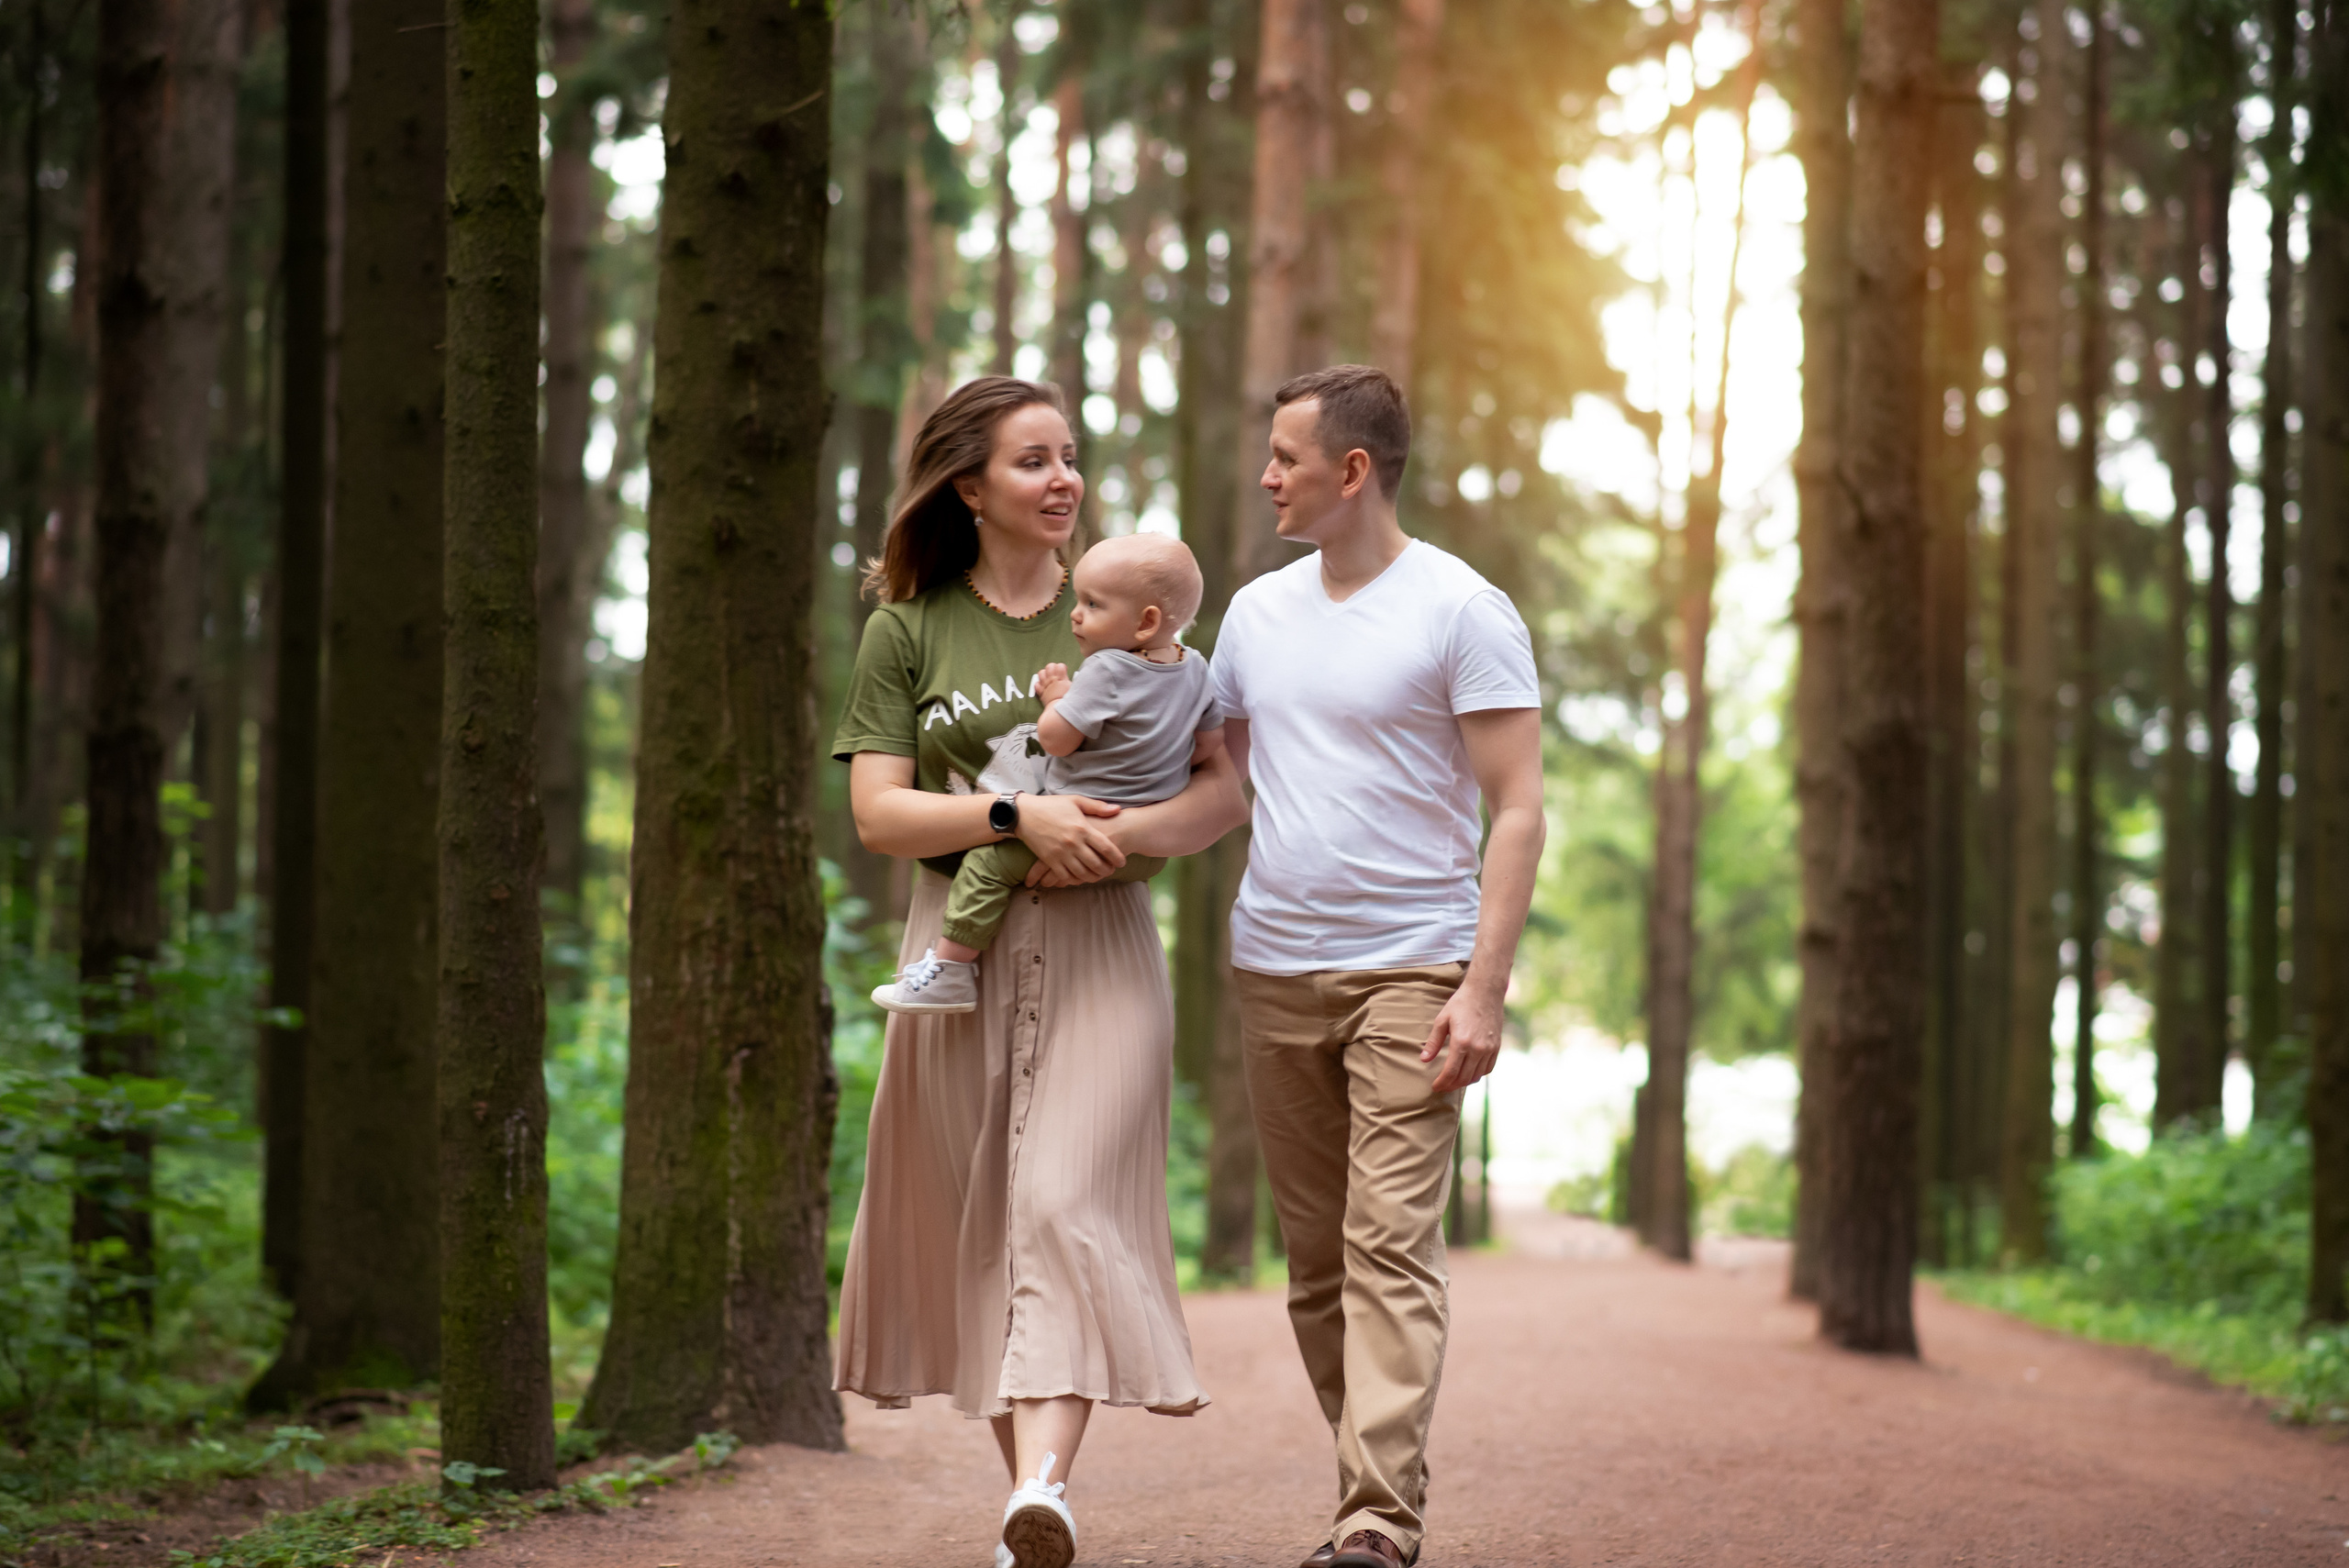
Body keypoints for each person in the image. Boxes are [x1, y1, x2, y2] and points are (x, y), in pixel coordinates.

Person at [829, 376, 1243, 1568]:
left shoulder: (1135, 608)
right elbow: (879, 814)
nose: (1062, 478)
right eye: (1031, 461)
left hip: (1106, 944)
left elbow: (1220, 788)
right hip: (954, 947)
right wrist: (1019, 817)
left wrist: (1116, 836)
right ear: (969, 487)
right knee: (985, 1230)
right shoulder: (908, 629)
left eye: (1069, 456)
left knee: (1061, 1203)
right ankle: (1035, 1514)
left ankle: (1047, 1483)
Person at [1209, 365, 1546, 1568]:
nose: (1267, 477)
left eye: (1286, 457)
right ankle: (1369, 1481)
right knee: (1314, 1267)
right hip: (1273, 969)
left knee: (1387, 1244)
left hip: (1412, 964)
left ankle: (1374, 1523)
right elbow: (1219, 786)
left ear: (1351, 472)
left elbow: (1517, 807)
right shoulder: (1252, 615)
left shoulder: (1463, 608)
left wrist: (1482, 985)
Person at [870, 532, 1225, 1015]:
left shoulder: (1107, 669)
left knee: (985, 868)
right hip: (1142, 848)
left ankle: (949, 972)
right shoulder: (1196, 667)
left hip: (1079, 825)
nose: (1076, 615)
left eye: (1094, 605)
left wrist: (1058, 695)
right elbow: (1207, 745)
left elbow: (1058, 738)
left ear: (1146, 623)